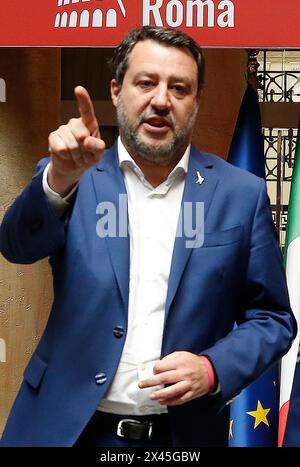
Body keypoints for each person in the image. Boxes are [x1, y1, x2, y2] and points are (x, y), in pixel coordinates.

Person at [0, 26, 296, 448]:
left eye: (179, 88)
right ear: (117, 91)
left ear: (196, 102)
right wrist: (57, 178)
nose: (161, 100)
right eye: (146, 83)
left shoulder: (240, 194)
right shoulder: (74, 175)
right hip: (65, 429)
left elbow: (273, 318)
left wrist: (213, 368)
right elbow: (16, 246)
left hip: (181, 438)